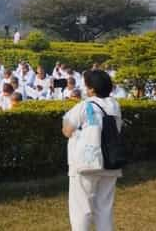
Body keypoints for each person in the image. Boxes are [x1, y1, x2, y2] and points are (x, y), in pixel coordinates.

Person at [62, 70, 122, 231]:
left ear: (92, 89)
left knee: (81, 210)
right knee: (104, 208)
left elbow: (67, 131)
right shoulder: (115, 105)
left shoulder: (84, 106)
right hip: (111, 162)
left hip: (86, 163)